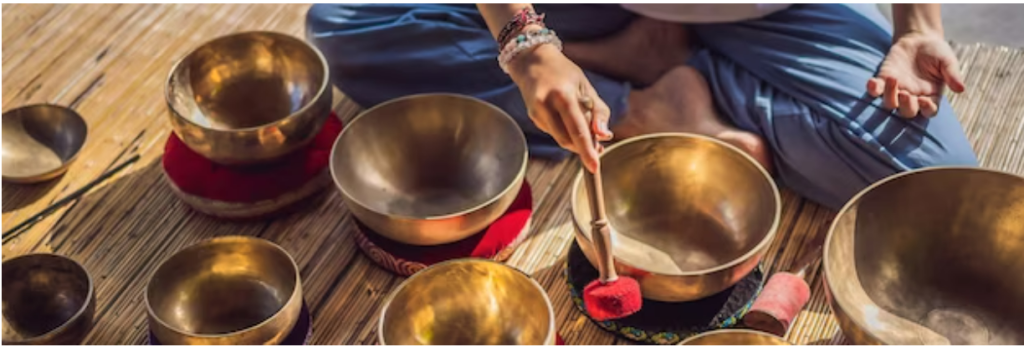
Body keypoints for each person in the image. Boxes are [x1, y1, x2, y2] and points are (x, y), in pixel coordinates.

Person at [306, 4, 978, 209]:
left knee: (934, 190)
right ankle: (635, 94)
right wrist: (525, 40)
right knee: (343, 29)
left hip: (772, 12)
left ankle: (667, 62)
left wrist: (916, 24)